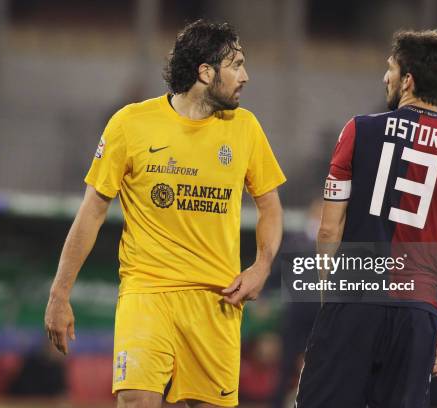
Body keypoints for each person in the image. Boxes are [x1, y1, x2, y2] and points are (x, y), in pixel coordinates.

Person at [44, 19, 286, 408]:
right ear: (206, 72)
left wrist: (261, 265)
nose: (246, 76)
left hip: (217, 300)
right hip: (148, 292)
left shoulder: (246, 128)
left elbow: (270, 207)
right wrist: (60, 293)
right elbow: (91, 212)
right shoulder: (130, 124)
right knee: (137, 400)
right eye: (237, 65)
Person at [295, 30, 437, 407]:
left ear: (408, 80)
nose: (386, 77)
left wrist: (328, 295)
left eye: (390, 69)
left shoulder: (359, 130)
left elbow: (329, 228)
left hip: (353, 300)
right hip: (417, 314)